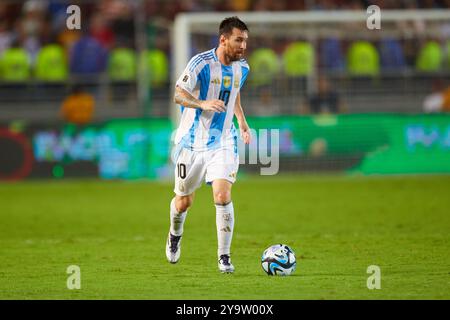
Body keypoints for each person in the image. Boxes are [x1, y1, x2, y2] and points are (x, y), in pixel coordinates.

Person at [166, 16, 251, 273]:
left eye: (246, 41)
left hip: (223, 141)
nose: (243, 46)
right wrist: (203, 103)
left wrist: (242, 121)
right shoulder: (201, 63)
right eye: (239, 40)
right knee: (183, 202)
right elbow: (178, 94)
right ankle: (174, 234)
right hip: (191, 143)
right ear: (223, 40)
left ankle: (224, 257)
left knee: (223, 195)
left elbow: (233, 94)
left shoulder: (243, 68)